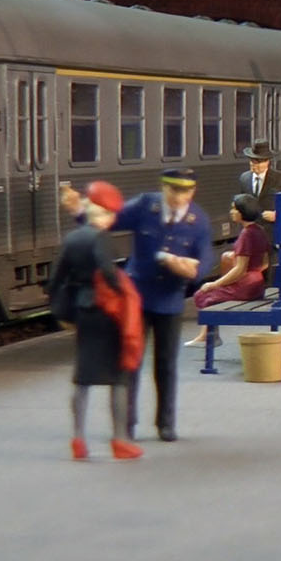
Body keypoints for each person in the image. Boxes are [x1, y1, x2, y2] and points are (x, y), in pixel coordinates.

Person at [111, 168, 213, 442]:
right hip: (137, 297)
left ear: (192, 192)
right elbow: (111, 220)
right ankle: (125, 423)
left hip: (169, 300)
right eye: (172, 190)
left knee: (166, 365)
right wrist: (82, 211)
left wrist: (192, 270)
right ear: (163, 188)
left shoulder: (198, 221)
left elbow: (204, 259)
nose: (177, 196)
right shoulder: (146, 205)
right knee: (129, 361)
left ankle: (165, 423)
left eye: (184, 191)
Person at [48, 181, 144, 460]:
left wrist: (63, 312)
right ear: (106, 214)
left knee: (83, 379)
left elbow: (55, 280)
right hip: (106, 314)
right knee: (119, 377)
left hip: (83, 312)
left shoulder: (73, 238)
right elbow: (108, 273)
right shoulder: (100, 239)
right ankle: (120, 440)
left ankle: (78, 439)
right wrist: (122, 293)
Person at [185, 194, 269, 348]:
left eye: (234, 209)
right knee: (208, 294)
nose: (231, 212)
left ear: (242, 212)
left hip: (246, 287)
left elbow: (239, 270)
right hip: (257, 283)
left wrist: (214, 284)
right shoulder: (260, 230)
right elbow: (265, 263)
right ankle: (207, 335)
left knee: (202, 294)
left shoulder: (246, 234)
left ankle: (208, 336)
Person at [237, 139, 281, 230]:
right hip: (250, 233)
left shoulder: (280, 179)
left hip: (270, 233)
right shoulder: (244, 178)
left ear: (267, 162)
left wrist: (278, 215)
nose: (254, 165)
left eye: (258, 162)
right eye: (252, 161)